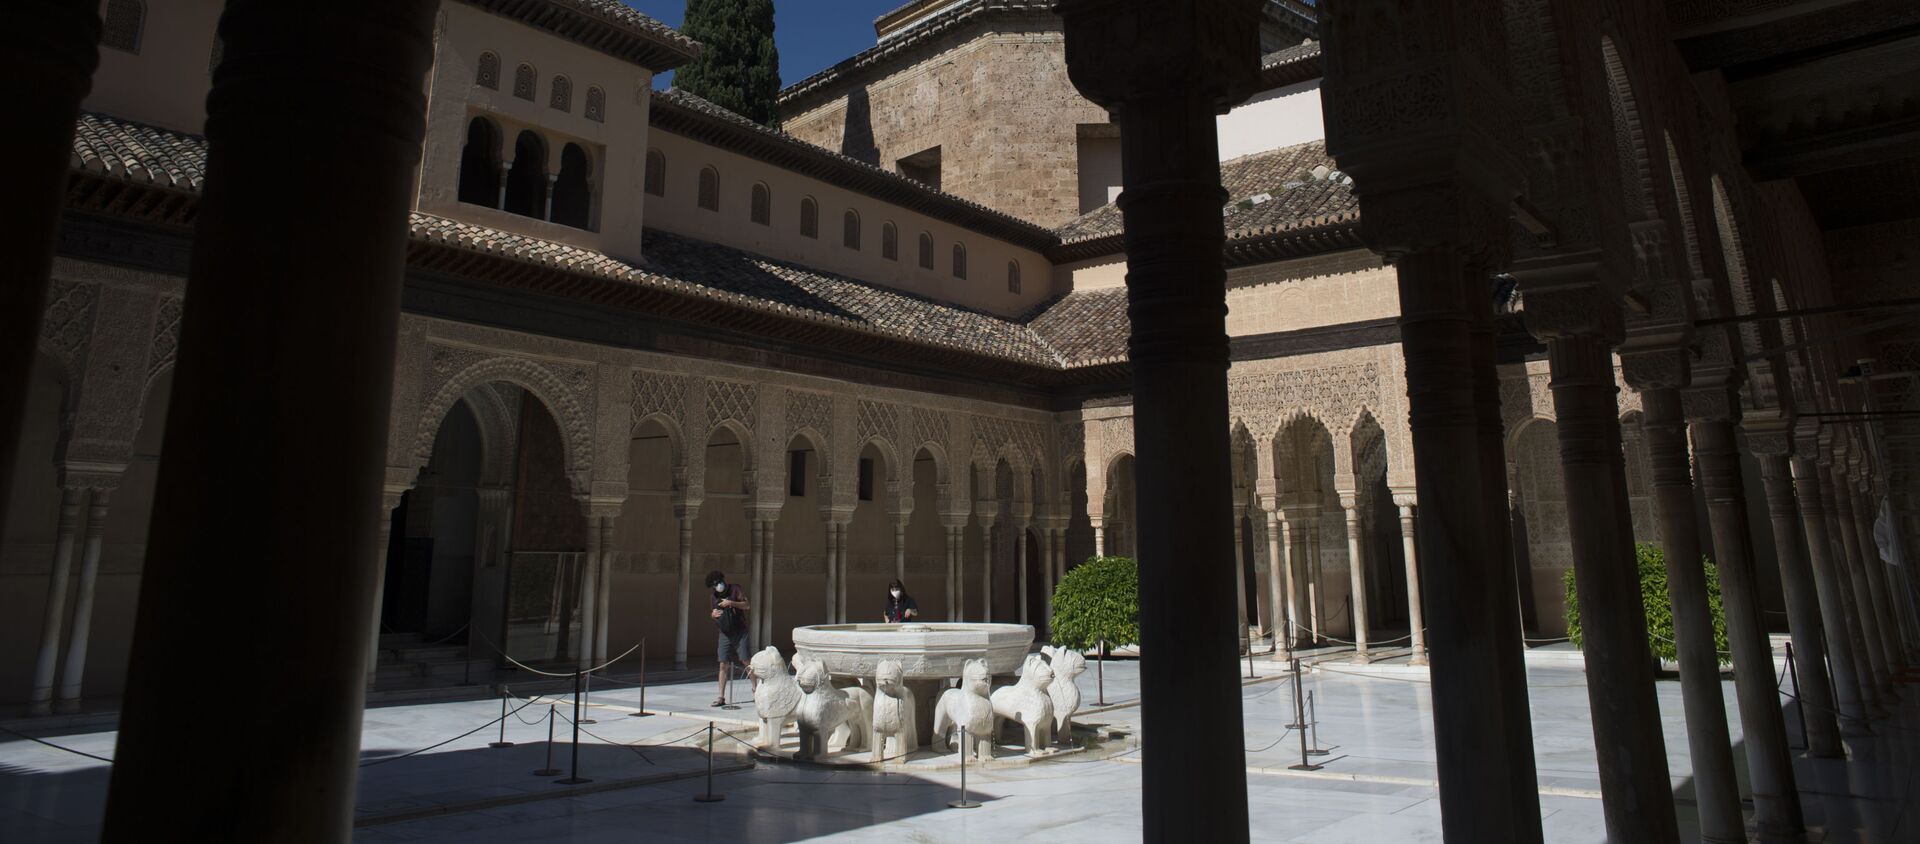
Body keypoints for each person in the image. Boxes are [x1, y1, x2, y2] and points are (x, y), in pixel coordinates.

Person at [706, 569, 750, 706]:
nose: (718, 586)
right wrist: (713, 615)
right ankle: (721, 697)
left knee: (746, 661)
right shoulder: (713, 596)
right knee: (723, 664)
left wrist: (731, 603)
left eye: (719, 582)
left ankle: (756, 689)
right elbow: (715, 613)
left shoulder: (735, 589)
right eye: (715, 584)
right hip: (725, 632)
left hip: (740, 631)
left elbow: (746, 605)